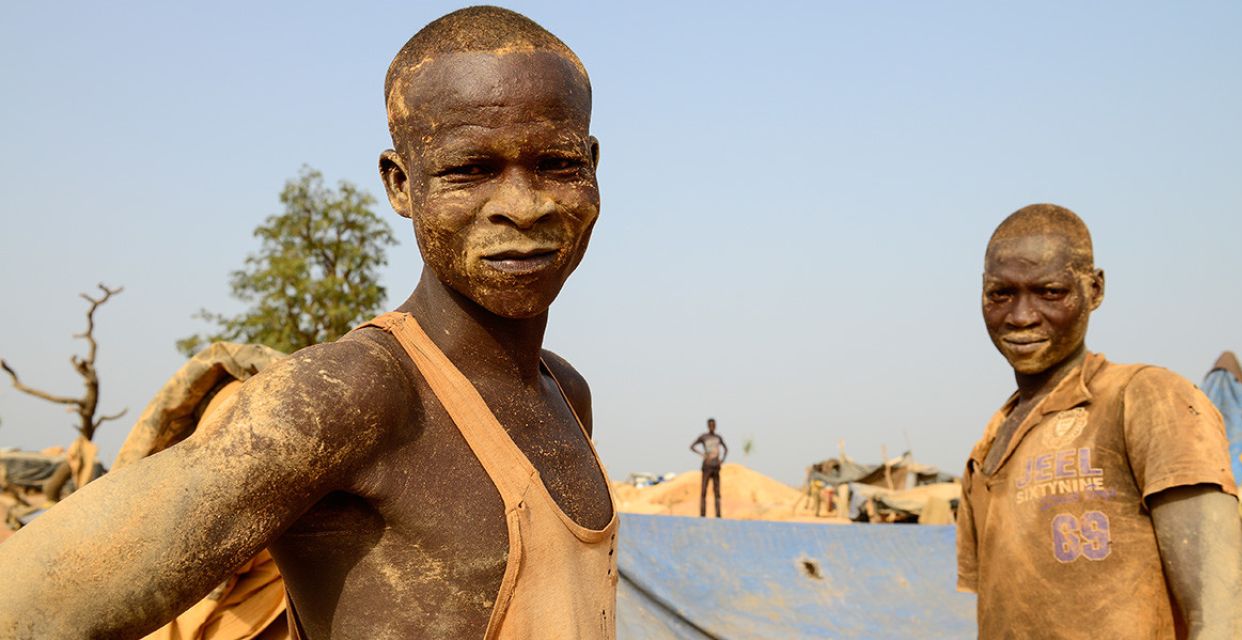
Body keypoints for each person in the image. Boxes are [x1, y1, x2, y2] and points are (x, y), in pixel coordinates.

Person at [0, 7, 618, 639]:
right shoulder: (350, 396)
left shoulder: (565, 395)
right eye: (469, 170)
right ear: (401, 184)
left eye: (557, 164)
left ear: (593, 165)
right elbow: (29, 604)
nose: (523, 206)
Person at [957, 203, 1242, 639]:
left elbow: (1224, 614)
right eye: (1002, 293)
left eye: (1050, 292)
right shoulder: (990, 444)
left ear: (1094, 289)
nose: (1021, 315)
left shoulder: (1145, 399)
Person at [690, 418, 728, 518]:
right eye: (710, 425)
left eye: (713, 425)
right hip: (707, 467)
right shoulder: (704, 437)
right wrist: (703, 455)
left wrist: (721, 460)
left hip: (716, 467)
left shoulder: (718, 437)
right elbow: (692, 446)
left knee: (717, 492)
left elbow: (726, 449)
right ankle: (702, 515)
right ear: (708, 426)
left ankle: (718, 515)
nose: (712, 426)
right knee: (703, 491)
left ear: (715, 425)